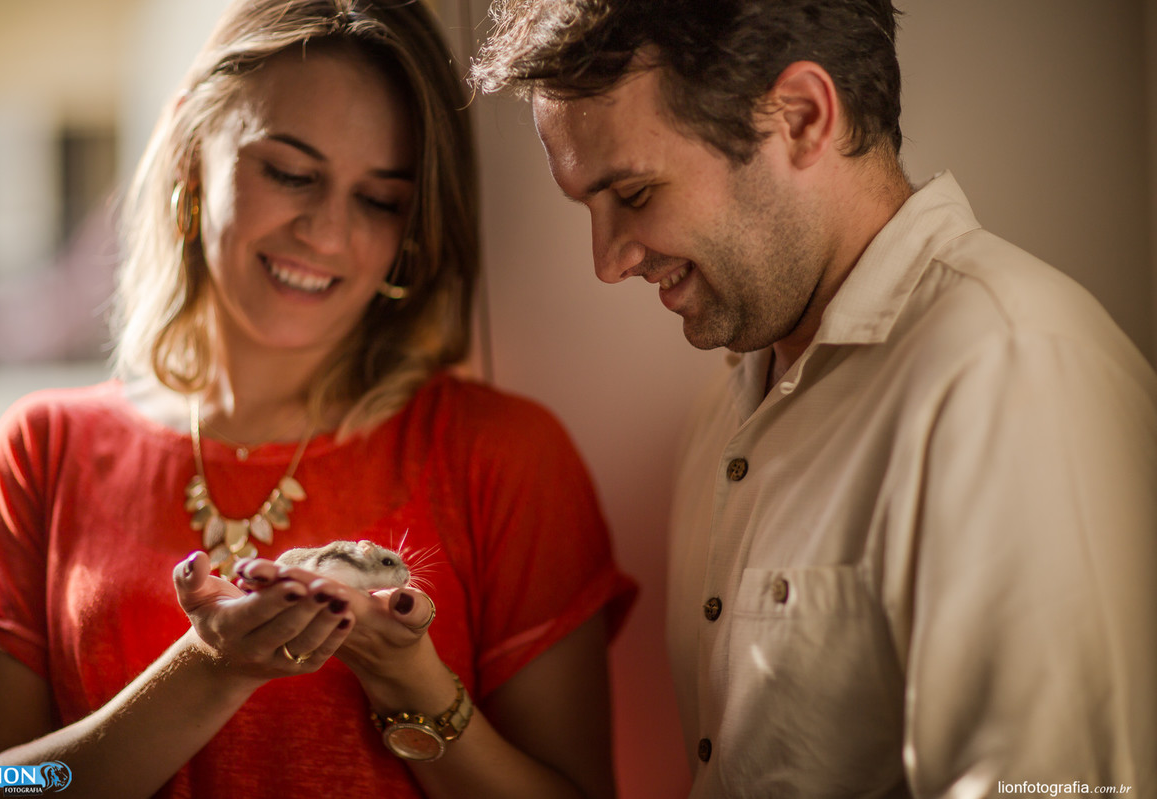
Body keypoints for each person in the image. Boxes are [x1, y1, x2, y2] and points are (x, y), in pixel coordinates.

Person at [471, 1, 1157, 796]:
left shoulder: (1013, 369)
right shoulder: (721, 419)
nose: (608, 261)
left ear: (799, 118)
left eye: (632, 193)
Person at [0, 1, 636, 797]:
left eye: (379, 199)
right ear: (188, 151)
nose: (325, 233)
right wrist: (205, 672)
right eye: (289, 172)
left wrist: (410, 682)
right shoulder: (43, 448)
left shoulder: (503, 455)